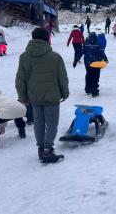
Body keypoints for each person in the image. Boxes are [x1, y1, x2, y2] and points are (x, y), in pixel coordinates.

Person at [16, 27, 69, 163]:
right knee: (51, 123)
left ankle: (41, 149)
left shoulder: (24, 57)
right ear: (47, 39)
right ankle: (47, 150)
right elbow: (62, 77)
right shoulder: (55, 57)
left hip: (34, 96)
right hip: (52, 96)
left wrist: (22, 97)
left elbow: (20, 79)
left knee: (38, 122)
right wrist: (65, 92)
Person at [83, 32, 108, 97]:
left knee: (88, 75)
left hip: (88, 63)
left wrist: (76, 59)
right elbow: (101, 52)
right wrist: (105, 59)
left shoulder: (86, 43)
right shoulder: (97, 43)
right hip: (96, 63)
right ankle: (94, 91)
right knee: (95, 76)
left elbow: (81, 51)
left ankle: (88, 89)